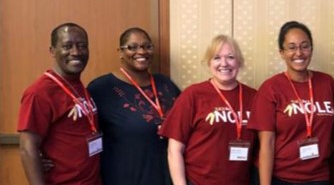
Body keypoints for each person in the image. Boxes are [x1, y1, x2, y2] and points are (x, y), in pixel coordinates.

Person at [87, 27, 181, 185]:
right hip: (124, 177)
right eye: (133, 47)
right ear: (120, 52)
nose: (141, 51)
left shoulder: (165, 84)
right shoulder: (101, 88)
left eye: (147, 46)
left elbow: (187, 124)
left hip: (166, 176)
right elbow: (77, 128)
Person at [247, 21, 334, 185]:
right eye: (292, 47)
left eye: (304, 46)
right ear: (282, 52)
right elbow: (267, 143)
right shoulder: (271, 88)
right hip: (280, 177)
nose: (299, 53)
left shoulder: (327, 83)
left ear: (311, 49)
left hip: (318, 177)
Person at [160, 35, 257, 185]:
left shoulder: (254, 97)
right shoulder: (193, 95)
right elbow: (174, 150)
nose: (224, 63)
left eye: (230, 57)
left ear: (239, 62)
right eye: (217, 58)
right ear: (209, 62)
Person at [18, 22, 101, 185]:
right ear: (52, 51)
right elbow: (28, 148)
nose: (76, 52)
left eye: (82, 46)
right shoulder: (40, 92)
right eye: (67, 46)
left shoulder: (77, 85)